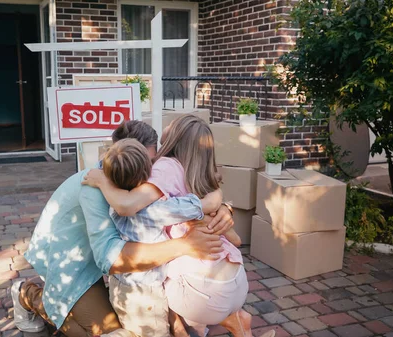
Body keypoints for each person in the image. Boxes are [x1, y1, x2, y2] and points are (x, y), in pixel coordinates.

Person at [11, 120, 234, 336]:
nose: (148, 176)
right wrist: (184, 245)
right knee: (105, 331)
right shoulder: (93, 190)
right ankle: (28, 294)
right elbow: (110, 259)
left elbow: (180, 200)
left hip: (108, 265)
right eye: (143, 167)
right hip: (72, 263)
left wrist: (221, 206)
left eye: (151, 165)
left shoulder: (130, 180)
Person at [83, 115, 274, 337]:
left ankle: (224, 318)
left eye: (173, 123)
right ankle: (231, 320)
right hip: (237, 282)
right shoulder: (200, 173)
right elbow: (236, 240)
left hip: (189, 292)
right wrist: (215, 203)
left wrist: (102, 180)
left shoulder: (162, 170)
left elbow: (128, 206)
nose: (167, 124)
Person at [100, 138, 222, 337]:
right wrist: (216, 191)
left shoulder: (113, 201)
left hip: (118, 285)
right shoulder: (155, 209)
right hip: (146, 293)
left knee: (134, 328)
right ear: (148, 172)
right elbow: (200, 205)